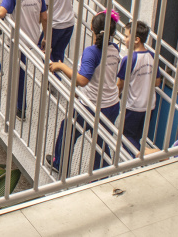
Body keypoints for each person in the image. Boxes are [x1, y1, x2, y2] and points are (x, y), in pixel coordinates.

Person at [47, 10, 122, 172]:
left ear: (92, 29)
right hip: (112, 104)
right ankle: (101, 174)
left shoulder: (92, 52)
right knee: (100, 141)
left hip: (92, 105)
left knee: (67, 131)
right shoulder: (114, 49)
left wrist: (61, 66)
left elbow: (82, 80)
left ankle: (59, 164)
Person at [117, 21, 160, 150]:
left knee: (126, 138)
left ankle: (138, 158)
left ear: (136, 39)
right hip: (149, 106)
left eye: (126, 36)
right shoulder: (152, 56)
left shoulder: (129, 59)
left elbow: (120, 85)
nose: (124, 39)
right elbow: (157, 82)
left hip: (133, 107)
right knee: (136, 137)